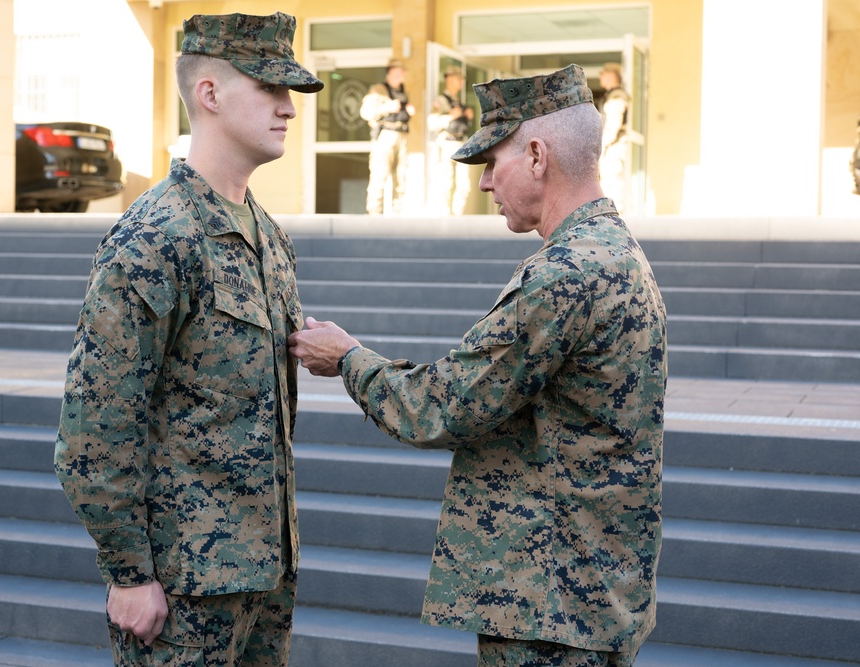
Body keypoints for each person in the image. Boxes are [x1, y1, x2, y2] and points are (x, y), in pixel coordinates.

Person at [288, 64, 666, 667]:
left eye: (493, 161)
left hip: (552, 605)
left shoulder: (566, 275)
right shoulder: (615, 253)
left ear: (538, 155)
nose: (486, 182)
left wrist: (348, 359)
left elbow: (443, 407)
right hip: (589, 592)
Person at [53, 11, 322, 667]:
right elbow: (95, 423)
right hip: (182, 586)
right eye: (270, 89)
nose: (289, 108)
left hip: (262, 572)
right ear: (209, 94)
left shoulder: (268, 236)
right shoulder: (157, 236)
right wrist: (128, 570)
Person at [360, 58, 415, 215]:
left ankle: (398, 213)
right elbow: (365, 112)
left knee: (402, 177)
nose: (402, 74)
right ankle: (374, 214)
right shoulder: (379, 89)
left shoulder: (404, 90)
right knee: (380, 175)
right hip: (386, 135)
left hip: (402, 135)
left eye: (403, 71)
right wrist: (386, 107)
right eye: (399, 70)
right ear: (390, 72)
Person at [427, 65, 475, 215]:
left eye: (461, 79)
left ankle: (457, 214)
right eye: (458, 79)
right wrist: (450, 116)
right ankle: (445, 216)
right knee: (445, 182)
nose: (461, 82)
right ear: (449, 79)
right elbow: (431, 123)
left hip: (461, 142)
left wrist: (467, 115)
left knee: (464, 185)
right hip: (446, 143)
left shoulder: (459, 101)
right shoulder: (441, 101)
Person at [598, 62, 631, 211]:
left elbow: (613, 125)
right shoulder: (612, 95)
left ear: (612, 75)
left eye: (603, 73)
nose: (600, 77)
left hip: (614, 146)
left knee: (613, 183)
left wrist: (603, 145)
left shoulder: (617, 96)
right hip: (612, 146)